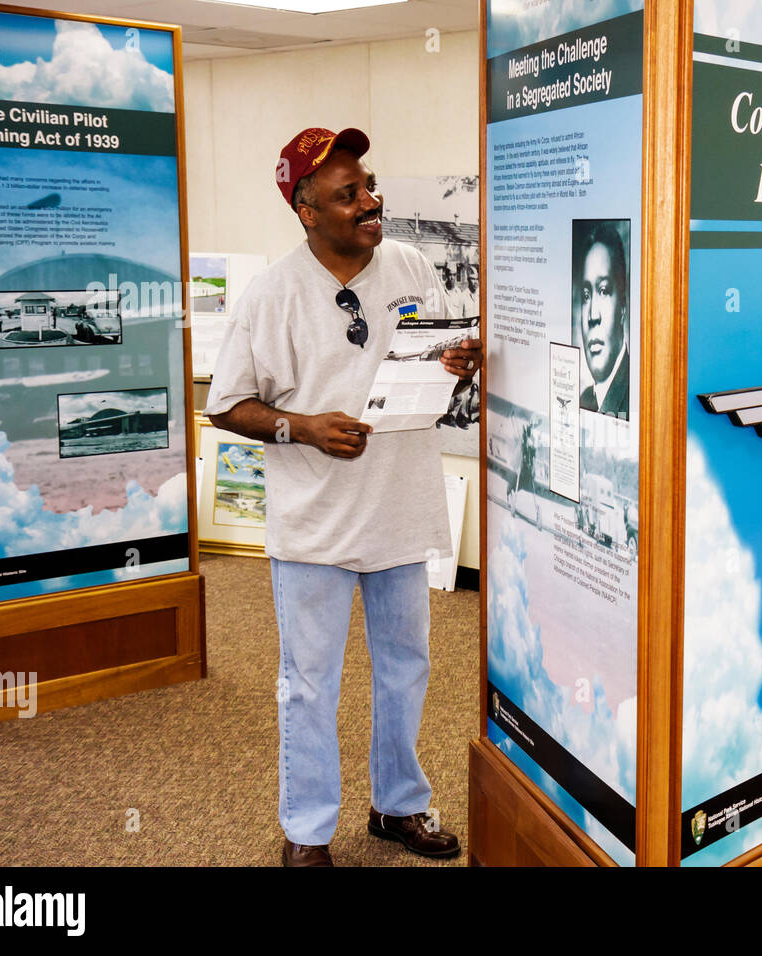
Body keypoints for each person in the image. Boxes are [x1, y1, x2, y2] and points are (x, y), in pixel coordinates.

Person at [204, 126, 481, 866]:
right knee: (307, 686)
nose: (369, 201)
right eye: (347, 194)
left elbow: (439, 363)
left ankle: (398, 807)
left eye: (368, 185)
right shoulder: (270, 296)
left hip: (400, 509)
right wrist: (301, 427)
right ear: (305, 210)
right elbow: (227, 405)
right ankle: (307, 833)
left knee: (406, 668)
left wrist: (461, 362)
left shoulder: (414, 265)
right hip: (314, 528)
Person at [576, 222, 630, 419]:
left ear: (622, 307)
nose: (592, 315)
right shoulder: (585, 399)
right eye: (586, 295)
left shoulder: (635, 394)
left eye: (604, 291)